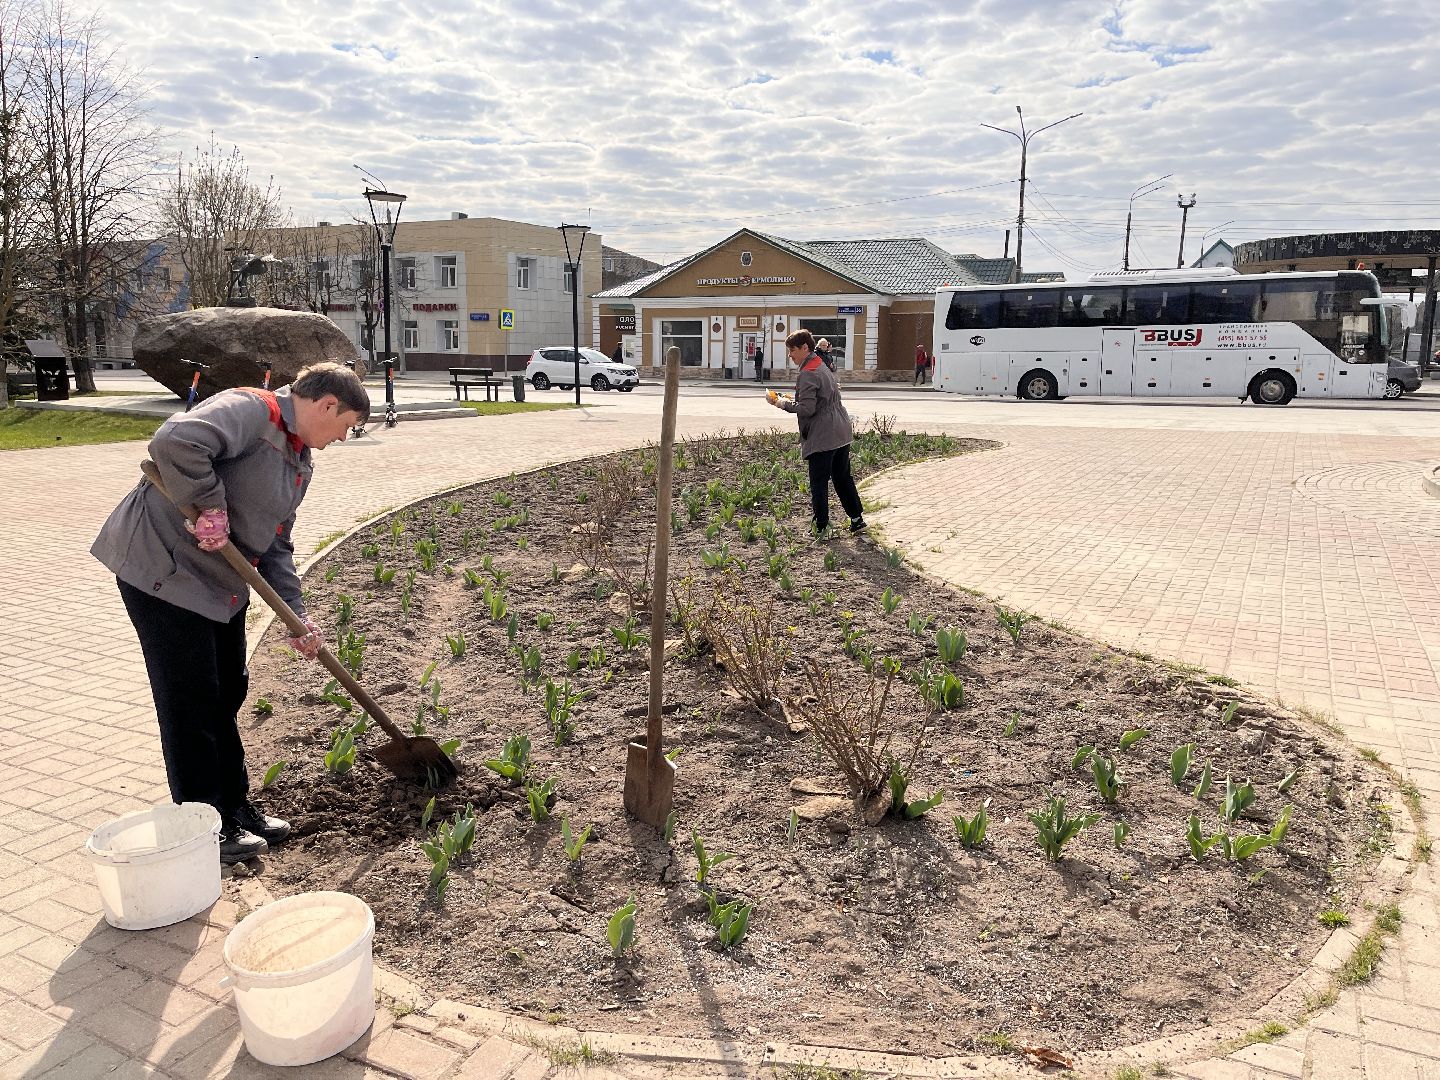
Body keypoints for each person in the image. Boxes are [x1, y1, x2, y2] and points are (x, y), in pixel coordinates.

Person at [92, 362, 370, 864]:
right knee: (191, 701)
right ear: (328, 405)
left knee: (228, 692)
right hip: (164, 570)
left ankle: (234, 807)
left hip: (218, 581)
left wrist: (296, 615)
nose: (343, 438)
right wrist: (210, 505)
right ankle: (203, 825)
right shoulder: (251, 410)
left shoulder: (298, 459)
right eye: (346, 425)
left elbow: (276, 543)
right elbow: (175, 440)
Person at [766, 329, 865, 539]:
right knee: (842, 477)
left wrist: (781, 403)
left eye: (792, 350)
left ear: (804, 348)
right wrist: (792, 399)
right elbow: (819, 398)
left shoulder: (808, 373)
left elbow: (807, 409)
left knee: (818, 483)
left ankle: (821, 527)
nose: (790, 355)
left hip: (823, 435)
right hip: (840, 429)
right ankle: (857, 519)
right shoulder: (819, 364)